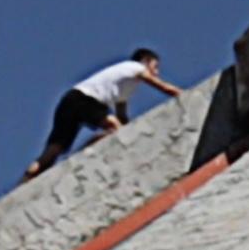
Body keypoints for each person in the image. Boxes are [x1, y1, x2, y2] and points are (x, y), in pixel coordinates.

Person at [25, 49, 183, 178]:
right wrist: (185, 94)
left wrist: (129, 129)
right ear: (146, 61)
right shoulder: (136, 68)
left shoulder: (125, 83)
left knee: (54, 150)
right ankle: (81, 153)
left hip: (69, 100)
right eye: (155, 66)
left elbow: (122, 115)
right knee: (114, 128)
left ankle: (27, 178)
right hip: (85, 98)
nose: (156, 72)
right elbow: (164, 87)